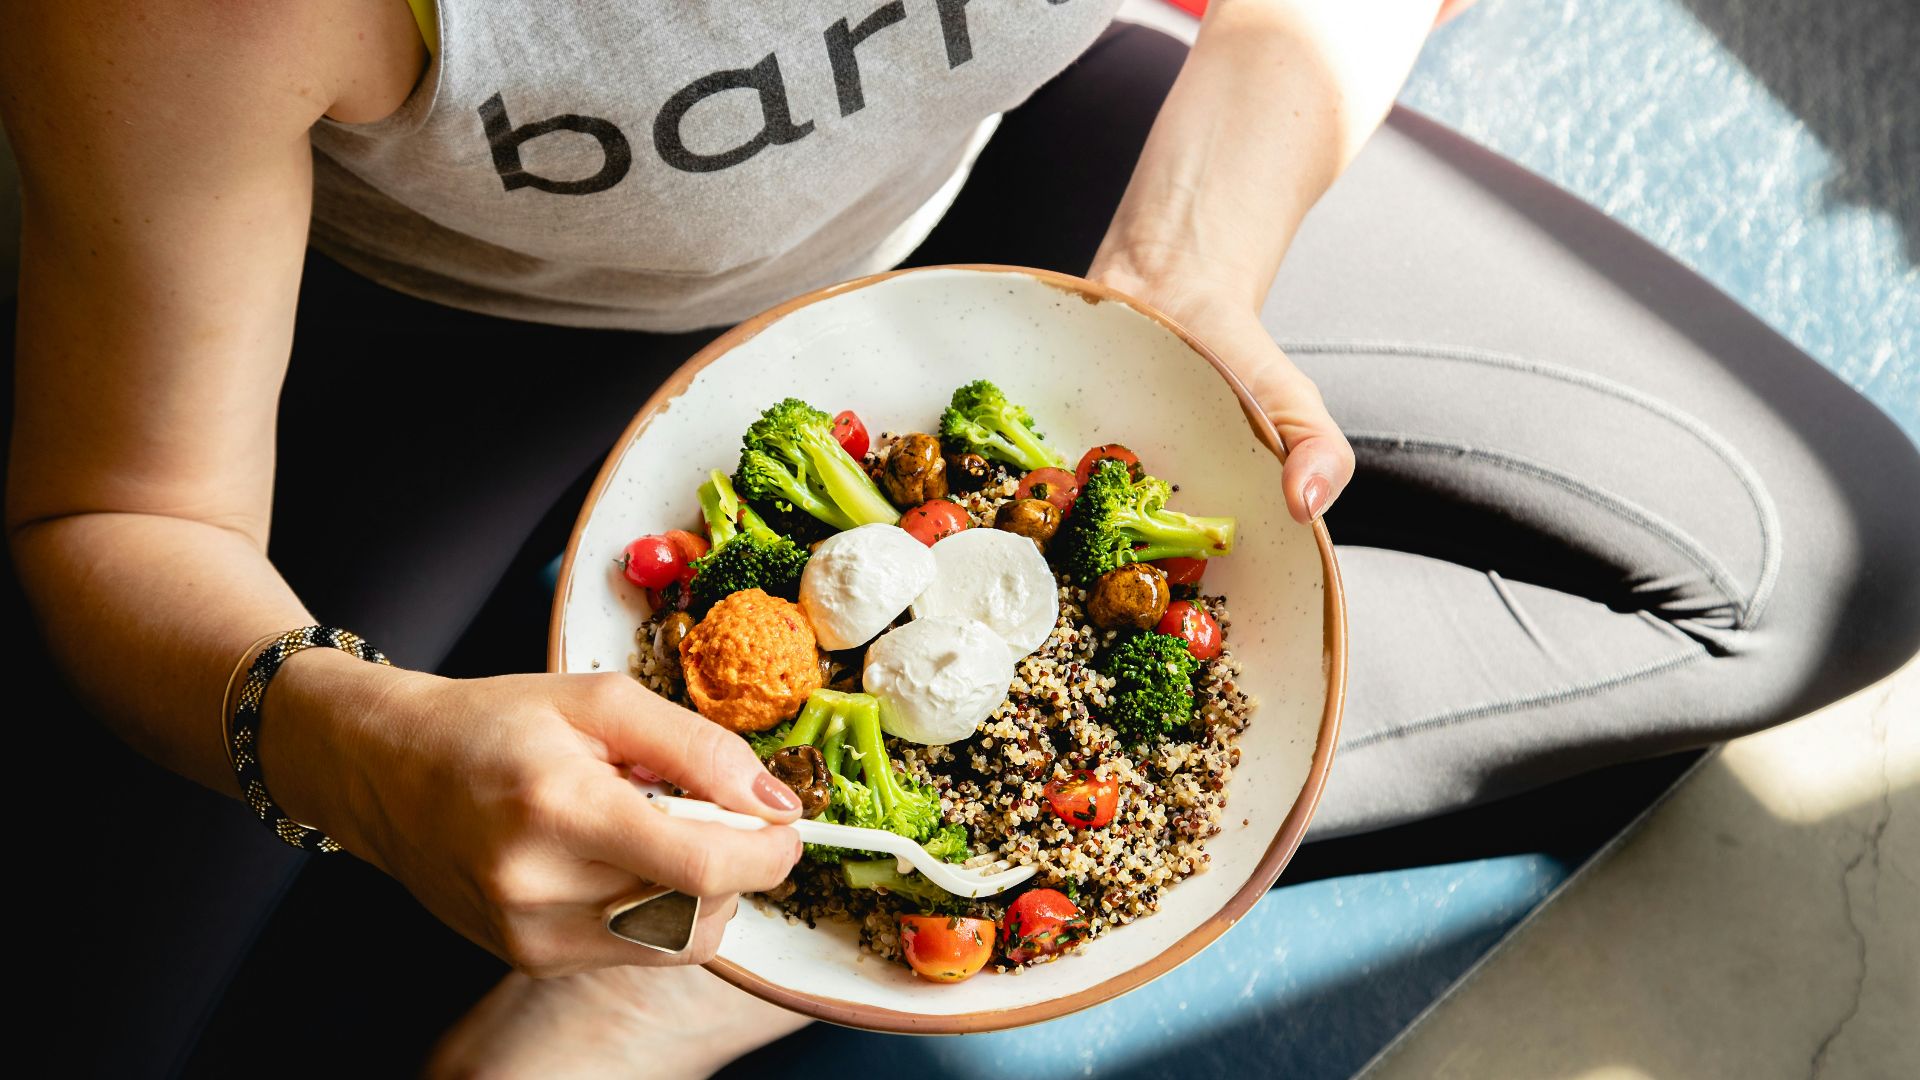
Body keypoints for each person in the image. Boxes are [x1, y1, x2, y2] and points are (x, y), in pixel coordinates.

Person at [5, 0, 1916, 1075]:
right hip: (448, 331)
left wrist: (1186, 270)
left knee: (1807, 565)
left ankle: (698, 962)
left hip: (997, 185)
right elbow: (127, 509)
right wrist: (368, 747)